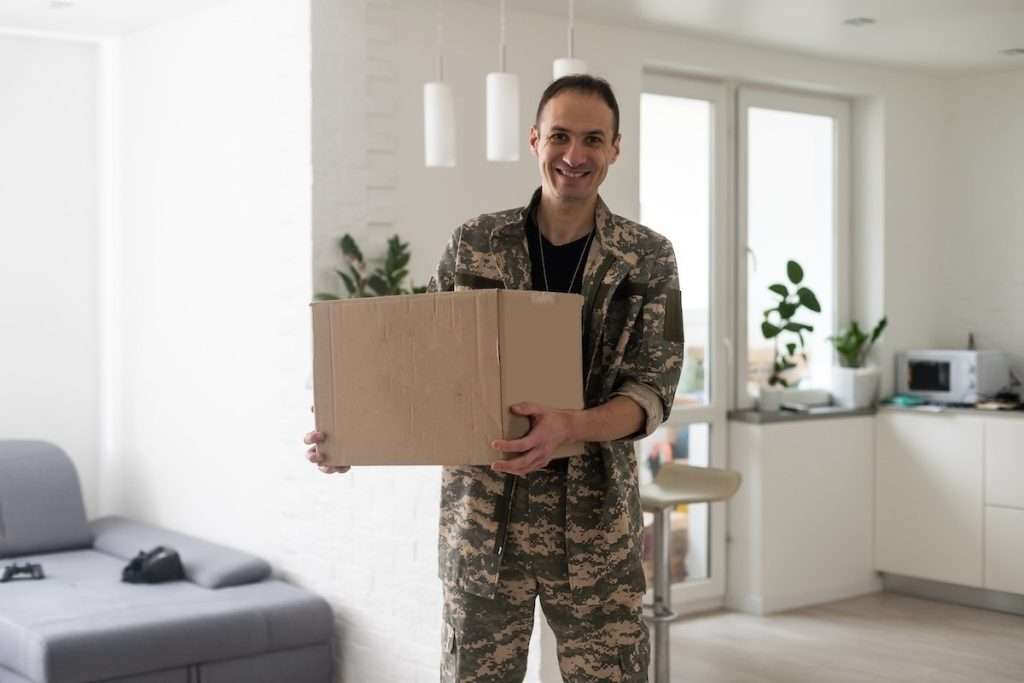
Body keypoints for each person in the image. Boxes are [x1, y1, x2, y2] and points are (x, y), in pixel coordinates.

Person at [305, 75, 683, 683]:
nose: (575, 155)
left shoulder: (649, 258)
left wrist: (571, 424)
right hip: (483, 535)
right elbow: (421, 369)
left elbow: (652, 393)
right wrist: (352, 437)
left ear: (616, 148)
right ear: (535, 139)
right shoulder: (473, 244)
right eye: (560, 135)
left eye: (593, 138)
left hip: (594, 538)